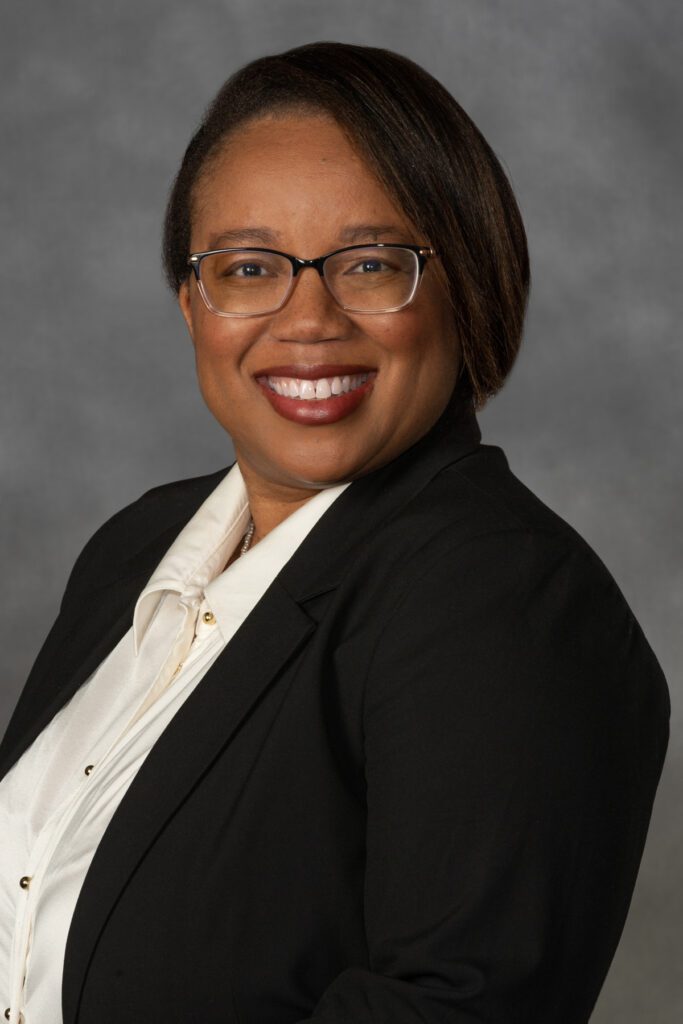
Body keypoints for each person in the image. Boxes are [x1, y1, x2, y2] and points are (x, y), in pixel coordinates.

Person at [0, 41, 670, 1024]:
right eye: (247, 266)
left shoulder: (503, 598)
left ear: (466, 286)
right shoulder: (132, 552)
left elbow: (453, 1005)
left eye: (368, 263)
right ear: (192, 303)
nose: (306, 319)